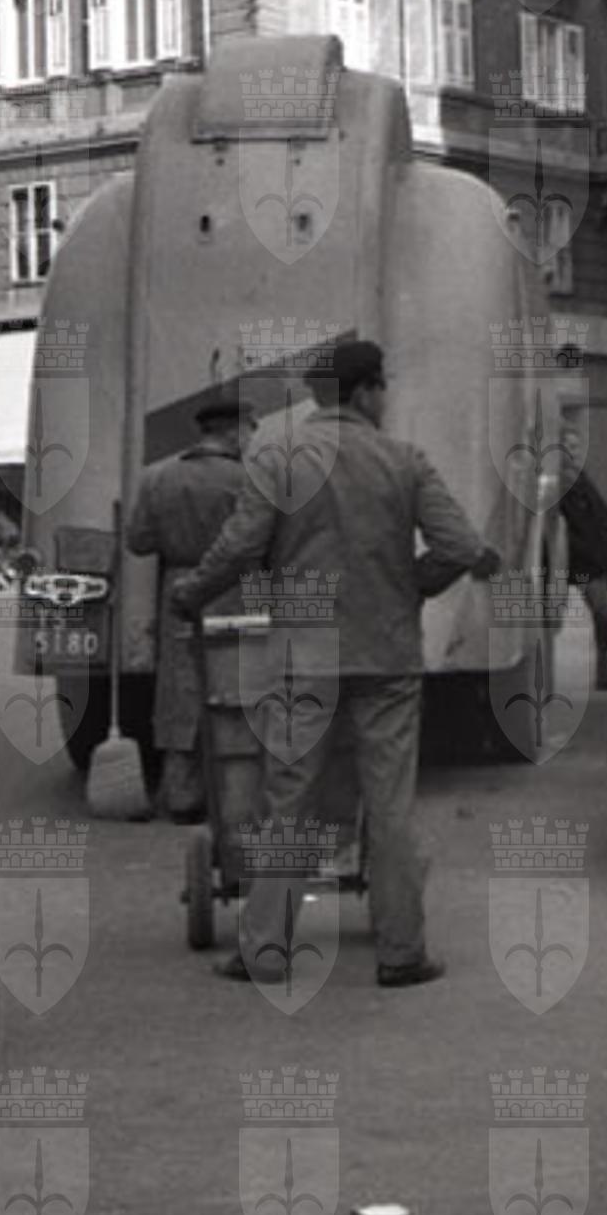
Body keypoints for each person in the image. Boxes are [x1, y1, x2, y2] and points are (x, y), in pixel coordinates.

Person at [171, 339, 498, 988]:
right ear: (369, 391)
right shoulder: (404, 460)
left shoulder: (279, 457)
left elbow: (241, 546)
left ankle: (265, 950)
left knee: (289, 800)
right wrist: (412, 585)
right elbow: (462, 545)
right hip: (387, 654)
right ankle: (401, 953)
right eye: (384, 389)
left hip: (303, 652)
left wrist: (192, 593)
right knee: (390, 806)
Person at [128, 385, 257, 822]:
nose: (252, 438)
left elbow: (139, 541)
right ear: (233, 432)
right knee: (234, 688)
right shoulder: (249, 480)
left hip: (178, 590)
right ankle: (233, 794)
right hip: (234, 590)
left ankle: (181, 793)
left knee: (179, 689)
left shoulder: (157, 478)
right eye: (250, 429)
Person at [556, 429, 607, 691]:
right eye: (569, 446)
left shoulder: (576, 477)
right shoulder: (564, 482)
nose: (575, 452)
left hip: (602, 559)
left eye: (577, 446)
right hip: (589, 562)